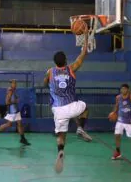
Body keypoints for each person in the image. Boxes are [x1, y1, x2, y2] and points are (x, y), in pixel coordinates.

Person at [44, 33, 91, 173]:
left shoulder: (50, 72)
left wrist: (48, 84)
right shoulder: (71, 68)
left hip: (57, 110)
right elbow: (83, 55)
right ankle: (80, 128)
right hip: (71, 106)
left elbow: (45, 83)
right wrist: (86, 40)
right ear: (65, 60)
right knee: (85, 107)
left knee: (61, 135)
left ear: (55, 62)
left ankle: (60, 151)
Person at [0, 79, 30, 146]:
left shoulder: (13, 91)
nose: (15, 85)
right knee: (9, 124)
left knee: (20, 124)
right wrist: (15, 101)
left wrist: (15, 98)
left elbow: (13, 99)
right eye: (14, 83)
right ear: (11, 84)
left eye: (16, 83)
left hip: (16, 111)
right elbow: (7, 102)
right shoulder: (10, 91)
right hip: (12, 111)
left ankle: (22, 139)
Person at [108, 84, 131, 161]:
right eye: (122, 89)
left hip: (130, 121)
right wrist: (113, 113)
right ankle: (118, 152)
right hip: (120, 120)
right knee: (117, 135)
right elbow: (117, 106)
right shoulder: (118, 97)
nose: (123, 90)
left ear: (128, 89)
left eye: (124, 89)